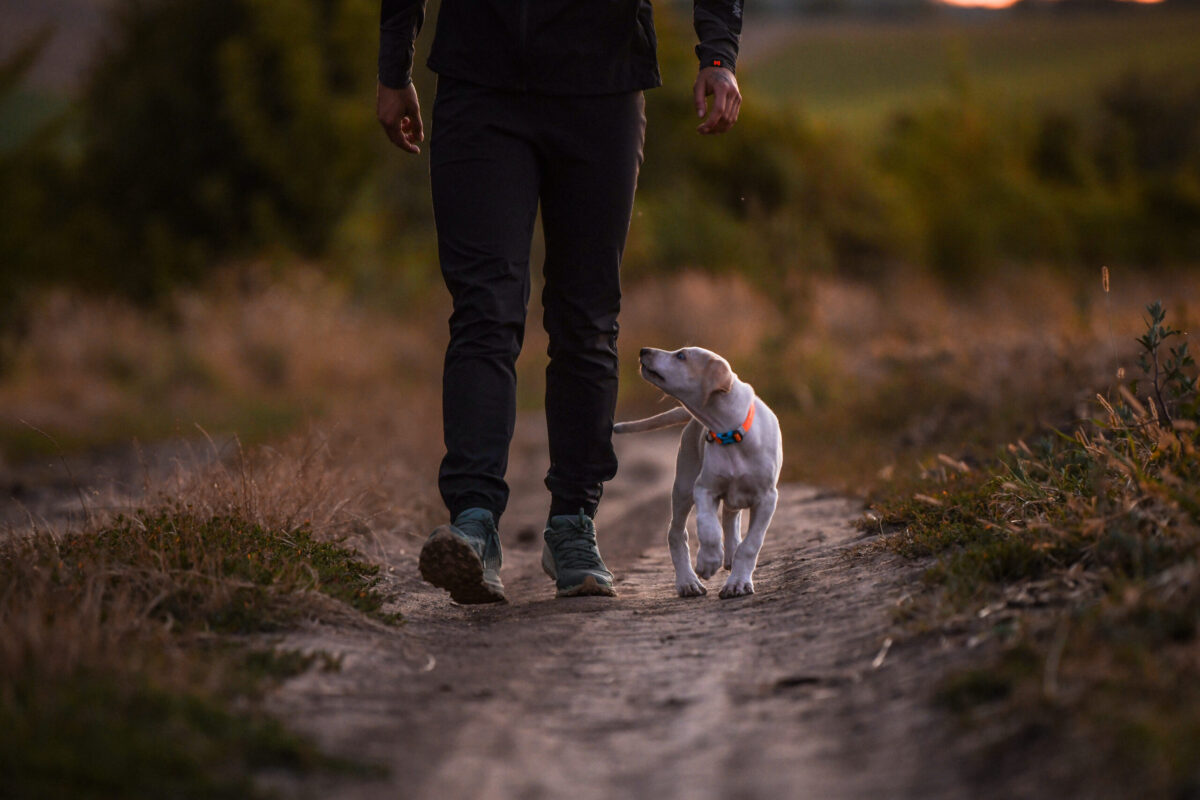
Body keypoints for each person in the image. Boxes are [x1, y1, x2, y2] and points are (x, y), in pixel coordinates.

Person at [377, 0, 743, 604]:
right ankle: (473, 523)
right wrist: (395, 69)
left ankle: (573, 523)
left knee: (587, 320)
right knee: (484, 309)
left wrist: (718, 53)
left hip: (601, 87)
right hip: (481, 82)